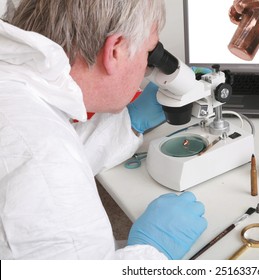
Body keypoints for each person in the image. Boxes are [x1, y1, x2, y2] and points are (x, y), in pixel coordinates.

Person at [0, 0, 207, 260]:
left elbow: (55, 151)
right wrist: (153, 252)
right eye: (149, 54)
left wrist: (129, 121)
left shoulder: (16, 88)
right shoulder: (47, 176)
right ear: (115, 51)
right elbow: (47, 170)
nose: (147, 67)